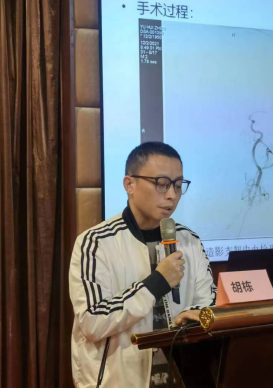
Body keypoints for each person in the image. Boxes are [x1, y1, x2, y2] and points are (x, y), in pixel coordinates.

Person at [69, 142, 217, 387]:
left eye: (178, 185)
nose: (171, 195)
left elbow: (207, 304)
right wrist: (156, 283)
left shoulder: (189, 241)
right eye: (162, 183)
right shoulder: (96, 243)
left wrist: (196, 316)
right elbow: (92, 321)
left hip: (180, 377)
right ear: (130, 184)